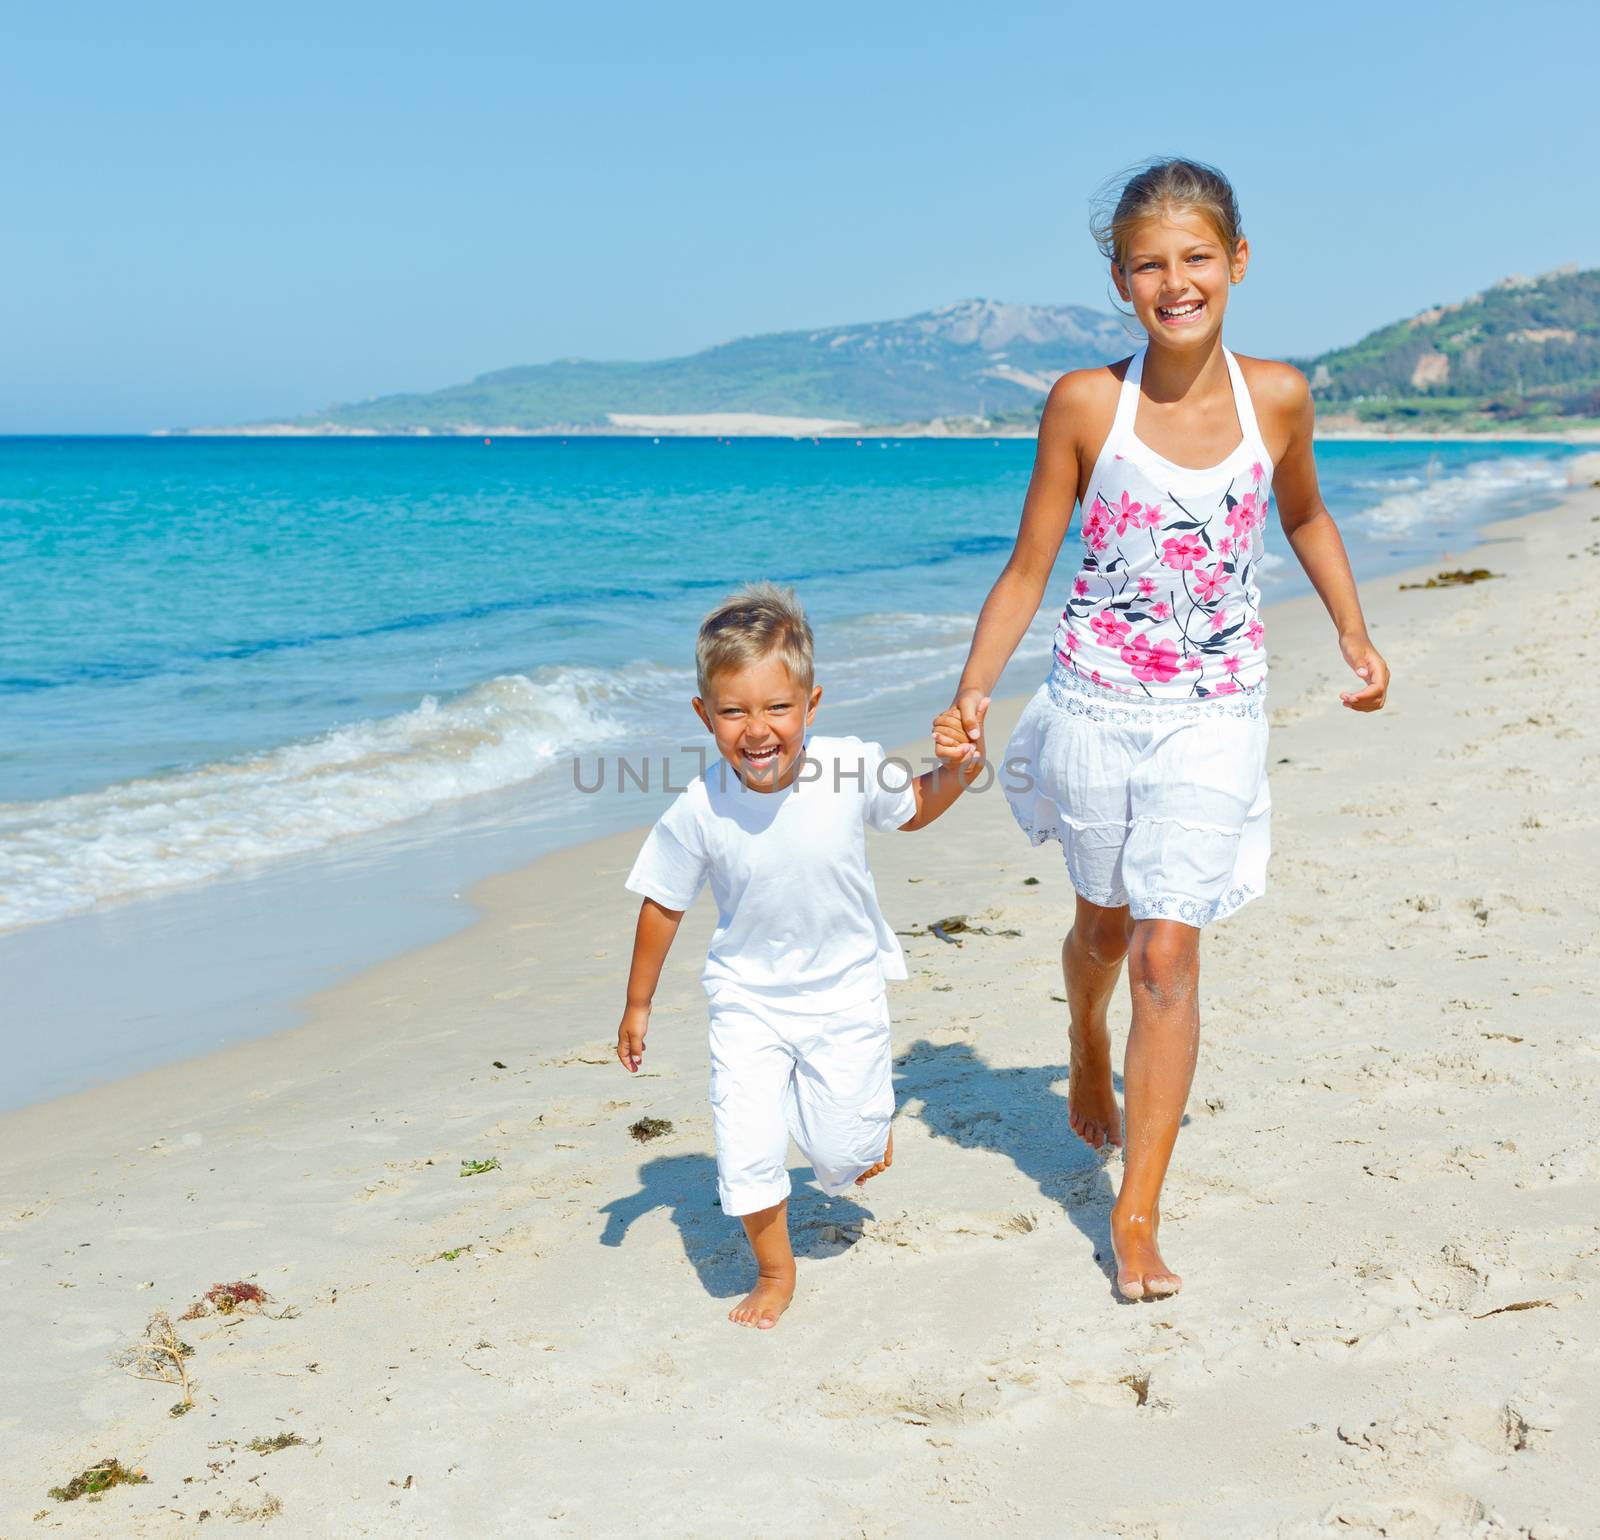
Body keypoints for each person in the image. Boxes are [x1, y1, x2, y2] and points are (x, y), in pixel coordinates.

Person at [938, 158, 1390, 1300]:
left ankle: (1135, 1213)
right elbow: (1031, 562)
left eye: (1196, 258)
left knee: (1168, 948)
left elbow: (1305, 513)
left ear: (1236, 263)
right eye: (1150, 263)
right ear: (1119, 278)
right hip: (1095, 702)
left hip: (1216, 712)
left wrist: (1354, 632)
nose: (1175, 281)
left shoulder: (1277, 396)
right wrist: (974, 691)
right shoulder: (1087, 404)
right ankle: (1082, 1036)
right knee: (1101, 928)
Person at [617, 582, 985, 1329]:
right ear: (704, 716)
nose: (757, 730)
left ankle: (855, 1129)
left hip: (845, 992)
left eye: (777, 708)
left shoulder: (848, 766)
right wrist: (638, 1002)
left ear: (811, 705)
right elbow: (663, 900)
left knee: (842, 1153)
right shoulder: (700, 806)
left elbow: (911, 808)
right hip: (747, 1001)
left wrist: (961, 771)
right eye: (733, 711)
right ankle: (776, 1270)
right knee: (746, 1147)